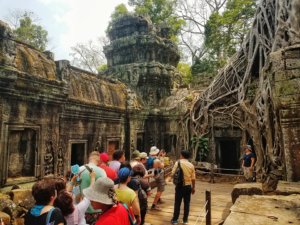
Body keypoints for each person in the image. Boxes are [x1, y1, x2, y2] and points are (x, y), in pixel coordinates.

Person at [79, 151, 107, 223]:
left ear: (89, 159)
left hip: (81, 208)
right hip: (97, 208)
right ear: (99, 160)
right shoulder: (101, 171)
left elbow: (74, 189)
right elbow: (105, 189)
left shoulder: (79, 170)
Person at [171, 150, 196, 225]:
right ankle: (185, 220)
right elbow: (193, 178)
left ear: (182, 155)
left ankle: (175, 220)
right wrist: (193, 188)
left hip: (179, 186)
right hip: (188, 186)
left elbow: (172, 173)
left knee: (177, 203)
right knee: (187, 203)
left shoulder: (177, 163)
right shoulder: (191, 165)